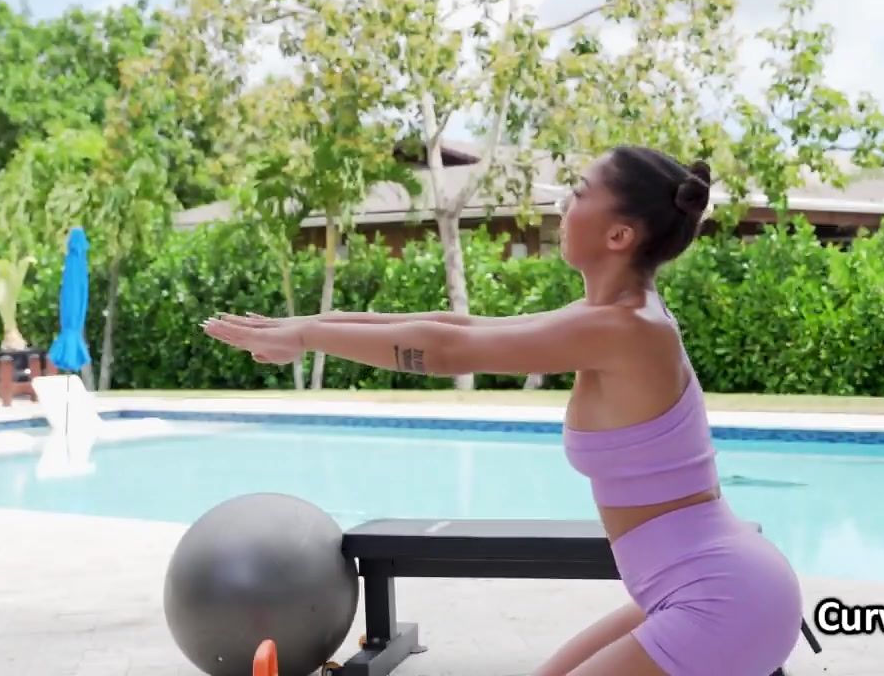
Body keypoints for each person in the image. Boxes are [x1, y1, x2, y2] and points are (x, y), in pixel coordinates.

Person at [202, 146, 805, 676]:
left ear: (619, 235)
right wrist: (305, 326)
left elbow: (446, 351)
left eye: (579, 193)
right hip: (698, 589)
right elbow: (455, 326)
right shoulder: (608, 318)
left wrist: (308, 337)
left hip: (724, 600)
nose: (563, 205)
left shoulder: (629, 330)